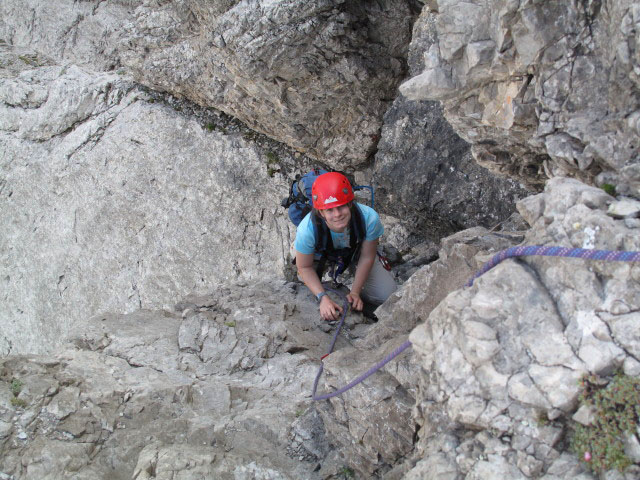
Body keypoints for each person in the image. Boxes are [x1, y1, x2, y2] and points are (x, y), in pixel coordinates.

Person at [294, 172, 397, 321]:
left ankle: (360, 296)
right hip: (320, 252)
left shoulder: (368, 218)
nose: (337, 214)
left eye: (341, 207)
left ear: (350, 204)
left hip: (355, 251)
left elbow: (367, 256)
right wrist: (323, 297)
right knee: (304, 280)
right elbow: (304, 267)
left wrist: (355, 292)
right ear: (321, 212)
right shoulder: (307, 229)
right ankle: (298, 250)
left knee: (386, 295)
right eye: (329, 210)